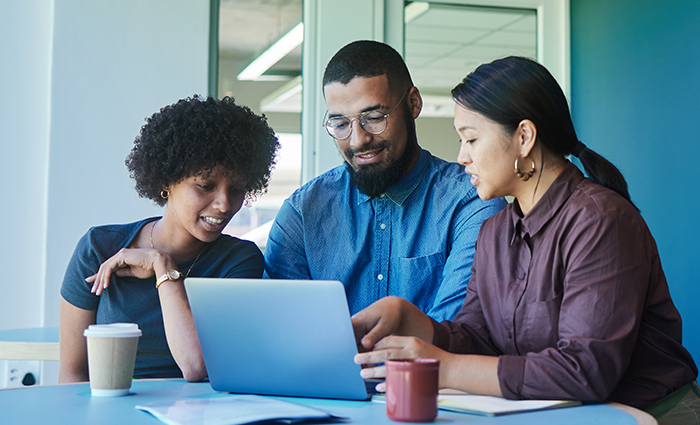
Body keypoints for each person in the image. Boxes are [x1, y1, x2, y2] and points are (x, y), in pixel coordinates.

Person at [352, 56, 699, 423]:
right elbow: (478, 338)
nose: (462, 157)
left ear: (523, 137)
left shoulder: (600, 220)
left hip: (651, 416)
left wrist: (448, 369)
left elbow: (585, 371)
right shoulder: (494, 232)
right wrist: (416, 322)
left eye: (471, 139)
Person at [263, 40, 506, 321]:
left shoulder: (471, 200)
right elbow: (284, 331)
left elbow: (456, 329)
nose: (358, 140)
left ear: (413, 103)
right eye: (341, 124)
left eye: (374, 117)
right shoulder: (302, 213)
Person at [59, 96, 279, 383]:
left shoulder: (239, 261)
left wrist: (163, 268)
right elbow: (73, 372)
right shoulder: (99, 248)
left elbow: (196, 366)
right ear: (167, 180)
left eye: (236, 189)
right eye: (205, 185)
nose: (225, 204)